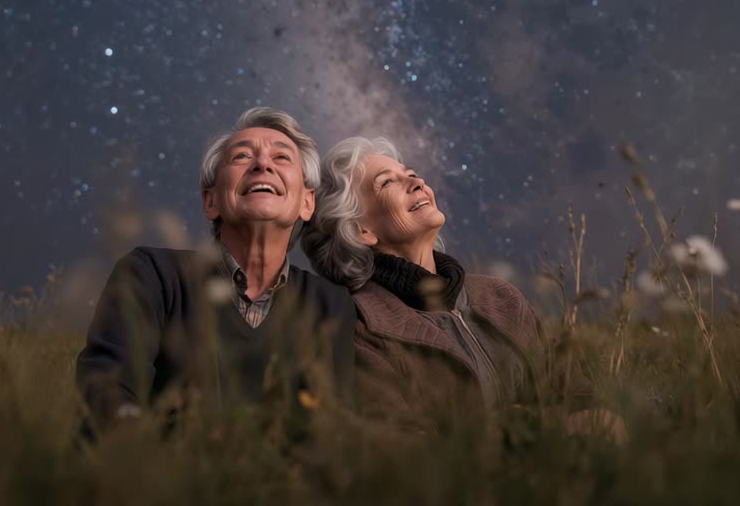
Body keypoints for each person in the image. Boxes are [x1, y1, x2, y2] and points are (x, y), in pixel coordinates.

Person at [75, 108, 355, 436]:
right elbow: (107, 386)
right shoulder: (151, 274)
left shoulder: (330, 304)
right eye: (241, 156)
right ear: (211, 202)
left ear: (307, 204)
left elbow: (332, 428)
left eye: (281, 157)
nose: (262, 164)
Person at [299, 136, 547, 428]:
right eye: (387, 183)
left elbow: (579, 397)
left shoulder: (501, 297)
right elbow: (407, 452)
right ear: (359, 230)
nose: (418, 183)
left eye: (412, 175)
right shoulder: (360, 329)